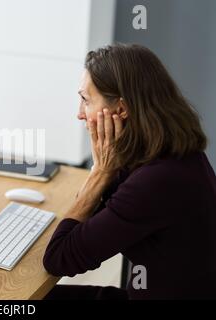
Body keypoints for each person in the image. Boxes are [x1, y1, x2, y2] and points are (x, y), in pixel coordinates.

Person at [42, 43, 216, 300]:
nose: (79, 114)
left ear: (121, 109)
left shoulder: (156, 181)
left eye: (85, 100)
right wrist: (103, 172)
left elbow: (59, 258)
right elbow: (94, 219)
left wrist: (100, 172)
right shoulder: (174, 155)